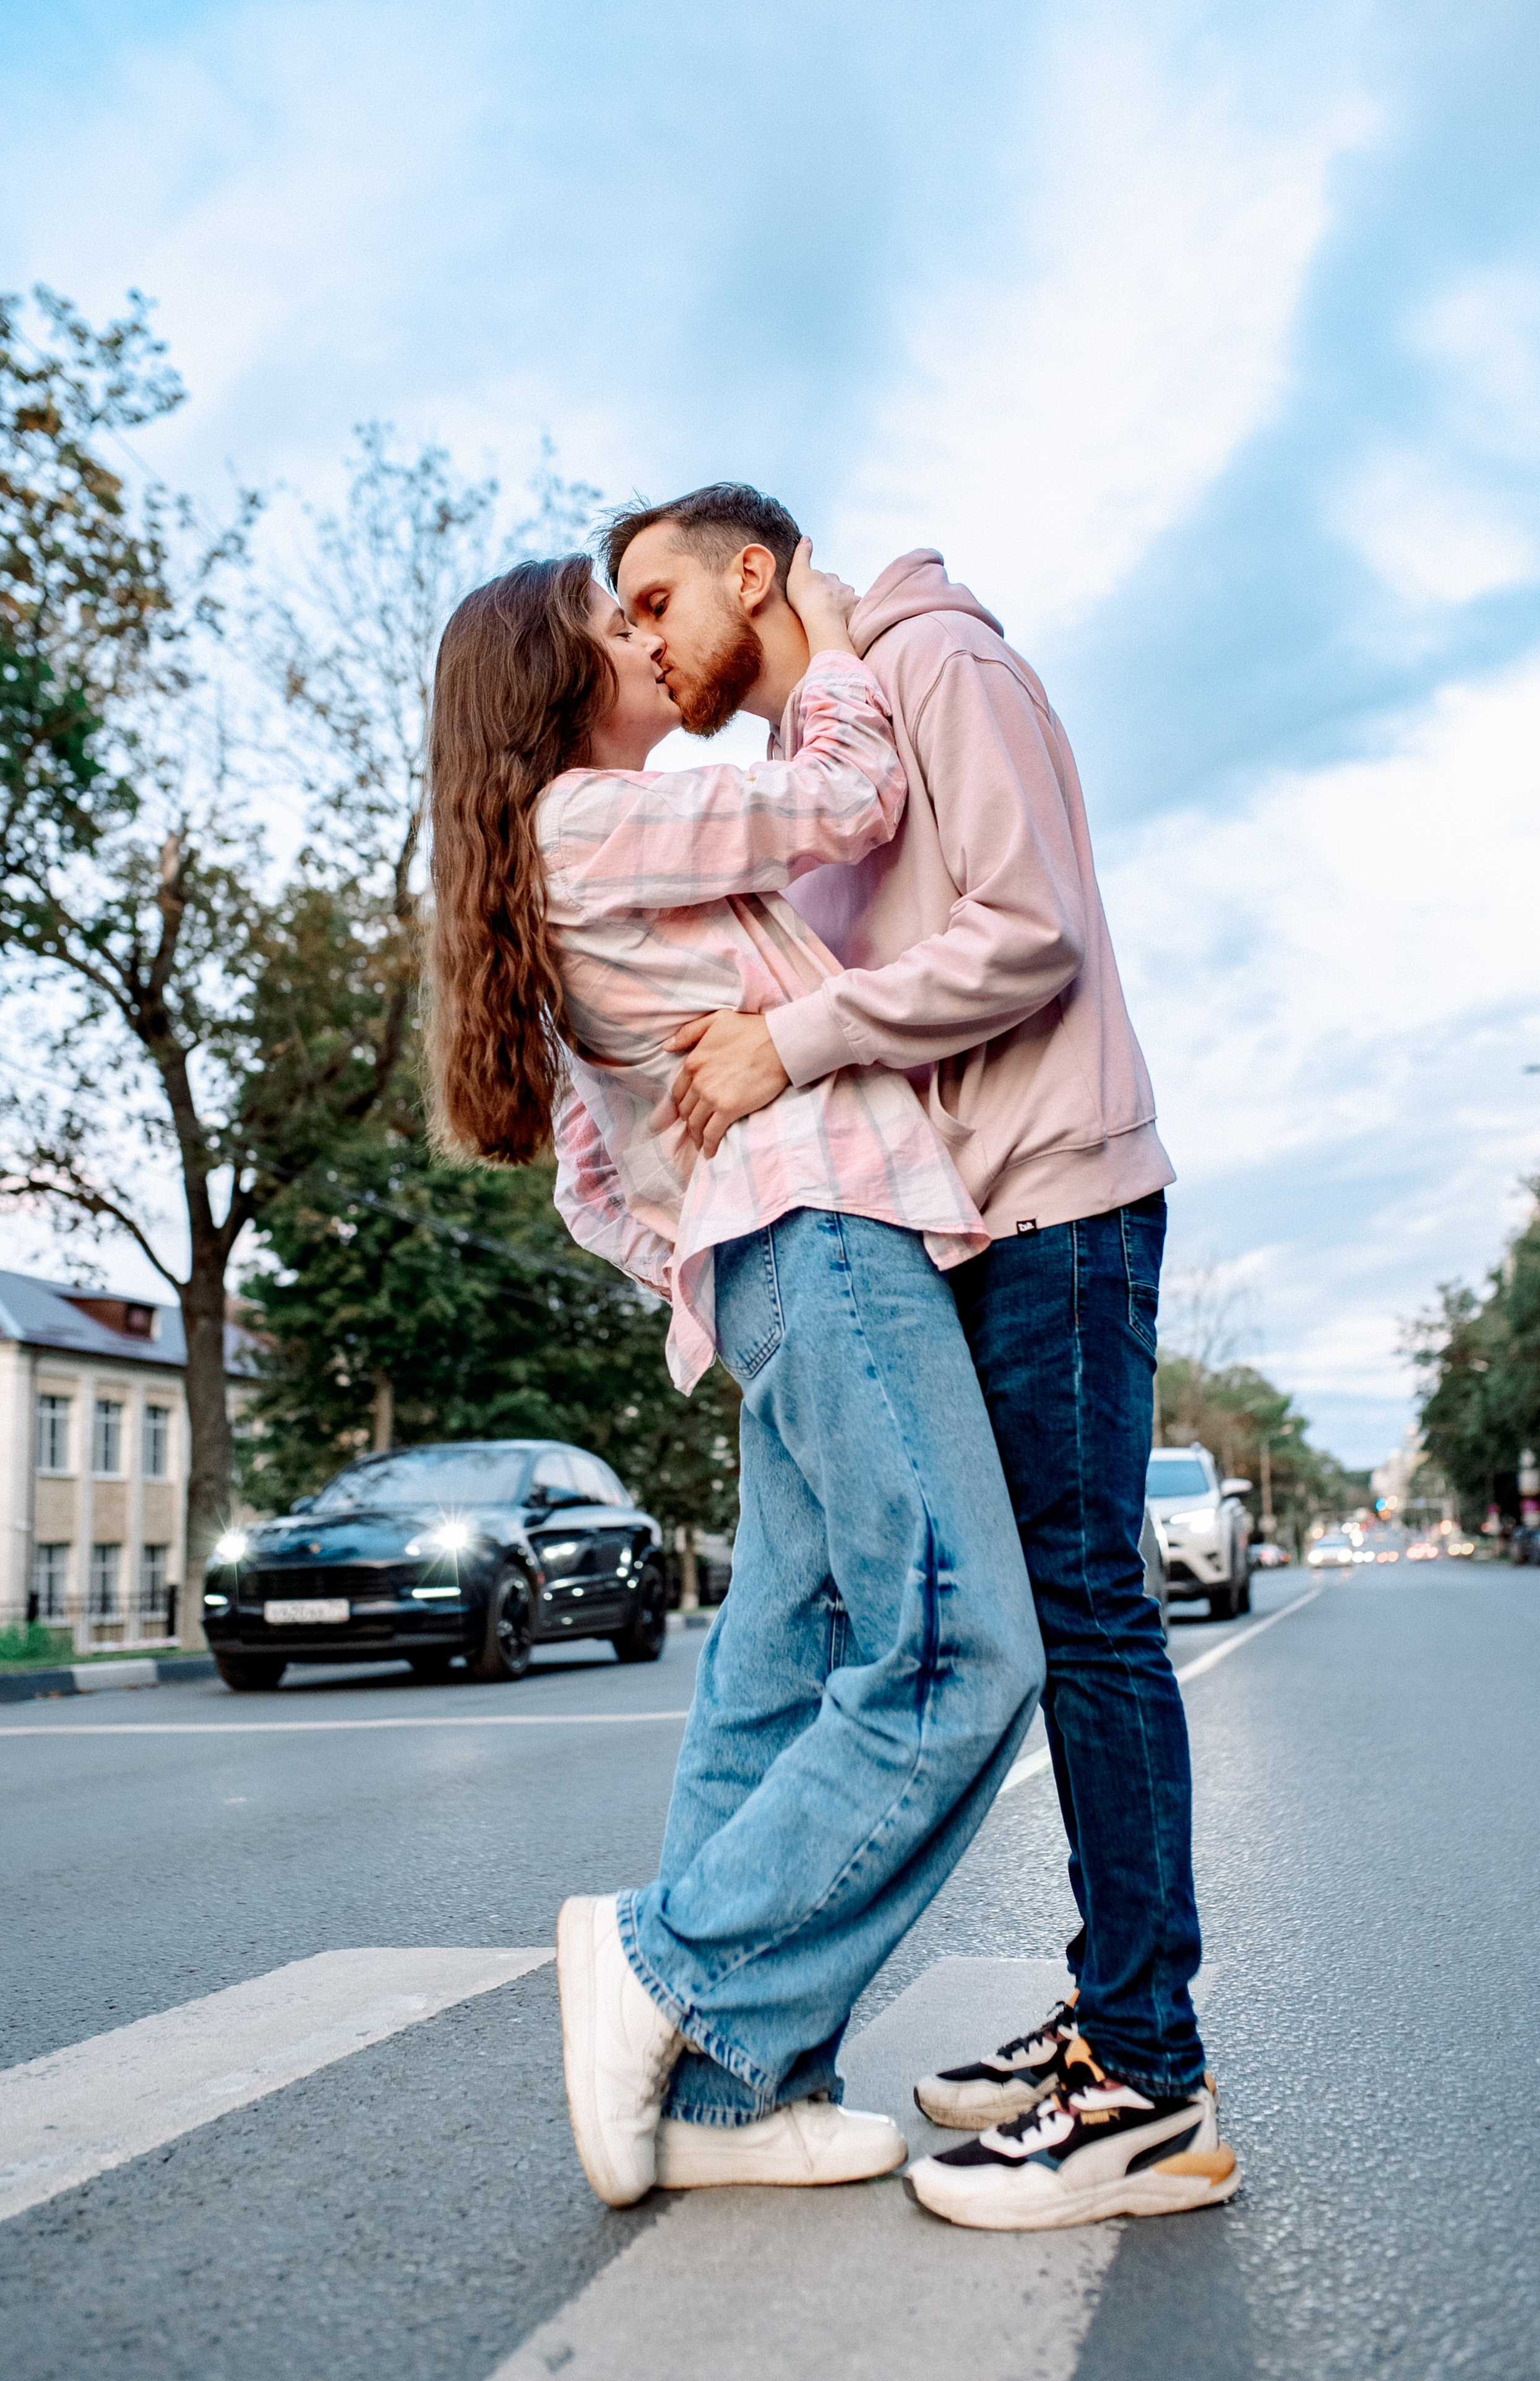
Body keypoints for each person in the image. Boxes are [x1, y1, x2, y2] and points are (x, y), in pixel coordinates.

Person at [601, 484, 1240, 2232]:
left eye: (657, 600)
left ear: (757, 569)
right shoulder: (844, 738)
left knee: (1085, 1615)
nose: (646, 640)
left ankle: (1146, 2085)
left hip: (1057, 1202)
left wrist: (790, 1043)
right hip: (969, 1225)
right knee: (1005, 1607)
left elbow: (1027, 936)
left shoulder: (943, 658)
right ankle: (1113, 2024)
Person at [425, 540, 1048, 2210]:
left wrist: (704, 1249)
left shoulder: (562, 863)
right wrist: (836, 643)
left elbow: (587, 1176)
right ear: (557, 684)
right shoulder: (586, 817)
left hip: (777, 1258)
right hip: (828, 1234)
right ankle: (671, 1960)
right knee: (962, 1647)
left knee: (776, 1676)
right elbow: (845, 799)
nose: (645, 636)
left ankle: (729, 2101)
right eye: (612, 622)